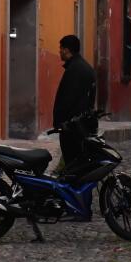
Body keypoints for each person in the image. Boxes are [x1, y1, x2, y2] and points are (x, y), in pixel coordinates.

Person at [53, 34, 96, 168]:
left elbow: (67, 99)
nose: (59, 51)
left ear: (66, 50)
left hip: (72, 127)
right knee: (81, 163)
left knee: (72, 163)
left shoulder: (74, 70)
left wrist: (59, 122)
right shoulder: (87, 68)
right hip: (83, 125)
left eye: (61, 48)